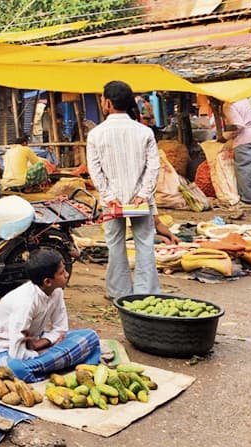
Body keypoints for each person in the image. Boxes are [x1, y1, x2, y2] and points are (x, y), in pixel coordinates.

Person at [0, 249, 100, 382]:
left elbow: (61, 329)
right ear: (47, 282)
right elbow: (16, 353)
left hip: (35, 341)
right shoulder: (25, 302)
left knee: (91, 336)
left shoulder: (56, 291)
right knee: (14, 368)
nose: (67, 274)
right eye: (62, 272)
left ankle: (44, 367)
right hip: (5, 346)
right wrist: (39, 351)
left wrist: (40, 344)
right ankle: (52, 365)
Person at [86, 80, 161, 301]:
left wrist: (109, 197)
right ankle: (146, 293)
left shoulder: (96, 134)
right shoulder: (144, 132)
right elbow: (153, 166)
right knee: (145, 242)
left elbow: (95, 170)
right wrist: (143, 194)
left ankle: (119, 292)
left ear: (107, 103)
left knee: (115, 243)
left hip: (113, 202)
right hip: (139, 200)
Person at [219, 98, 251, 206]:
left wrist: (226, 136)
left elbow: (238, 126)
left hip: (244, 138)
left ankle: (248, 199)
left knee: (244, 170)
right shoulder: (243, 99)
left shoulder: (228, 105)